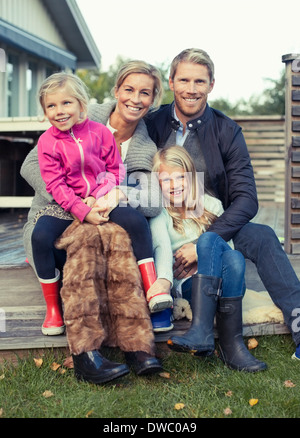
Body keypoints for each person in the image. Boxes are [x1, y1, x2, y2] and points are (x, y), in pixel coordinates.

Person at [145, 47, 300, 360]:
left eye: (200, 81)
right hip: (165, 224)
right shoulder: (150, 123)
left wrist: (206, 241)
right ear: (172, 82)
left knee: (263, 235)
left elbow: (247, 198)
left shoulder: (227, 131)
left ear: (211, 85)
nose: (192, 88)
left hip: (213, 222)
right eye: (185, 80)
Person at [20, 61, 167, 383]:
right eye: (128, 89)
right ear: (115, 92)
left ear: (154, 99)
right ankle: (86, 352)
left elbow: (152, 202)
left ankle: (136, 341)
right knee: (84, 244)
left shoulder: (140, 144)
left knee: (123, 236)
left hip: (104, 205)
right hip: (60, 210)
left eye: (145, 93)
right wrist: (78, 207)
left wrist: (112, 195)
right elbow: (34, 171)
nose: (135, 98)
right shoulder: (67, 127)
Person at [150, 146, 267, 372]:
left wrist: (198, 253)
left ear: (191, 177)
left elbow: (227, 252)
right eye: (166, 180)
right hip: (188, 286)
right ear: (158, 184)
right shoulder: (161, 213)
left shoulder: (211, 205)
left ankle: (206, 334)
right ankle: (229, 344)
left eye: (180, 177)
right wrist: (165, 282)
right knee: (214, 245)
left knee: (228, 254)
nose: (174, 185)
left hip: (228, 283)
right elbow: (162, 250)